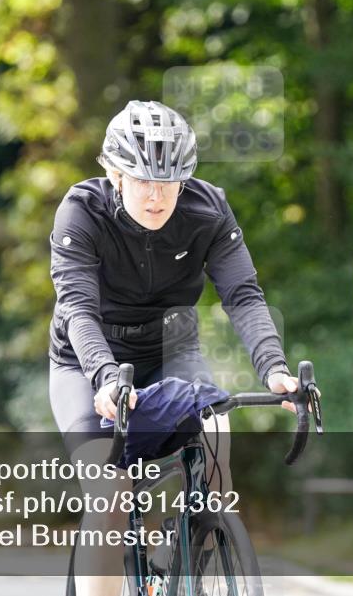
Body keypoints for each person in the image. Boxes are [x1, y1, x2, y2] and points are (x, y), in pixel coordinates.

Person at [49, 100, 298, 596]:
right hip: (87, 361)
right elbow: (78, 308)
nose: (157, 195)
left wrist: (274, 368)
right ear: (115, 175)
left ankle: (184, 555)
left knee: (217, 454)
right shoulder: (81, 211)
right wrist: (102, 377)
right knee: (109, 494)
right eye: (142, 180)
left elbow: (243, 294)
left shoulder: (208, 211)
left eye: (170, 181)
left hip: (171, 350)